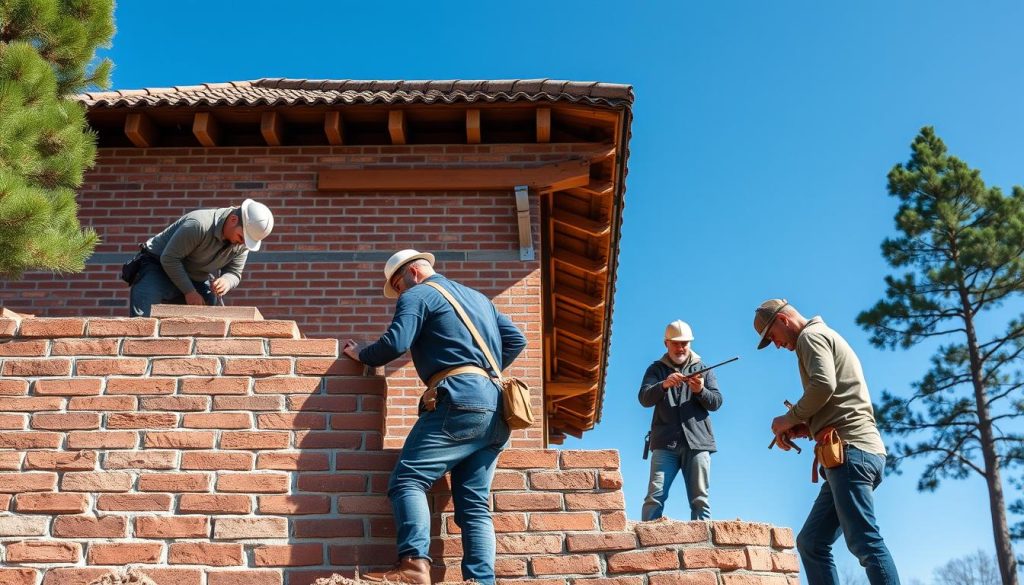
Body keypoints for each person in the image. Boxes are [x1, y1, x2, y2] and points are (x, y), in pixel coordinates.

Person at [342, 249, 527, 585]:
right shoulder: (478, 298)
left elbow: (395, 343)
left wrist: (362, 353)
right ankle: (481, 581)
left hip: (459, 399)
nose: (400, 293)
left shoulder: (419, 293)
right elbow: (516, 339)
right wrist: (482, 371)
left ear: (413, 271)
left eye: (398, 286)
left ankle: (413, 568)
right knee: (473, 504)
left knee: (408, 480)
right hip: (498, 408)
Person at [755, 298, 901, 585]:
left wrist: (788, 418)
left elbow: (824, 385)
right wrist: (805, 427)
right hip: (850, 454)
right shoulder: (822, 335)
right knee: (811, 542)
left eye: (772, 337)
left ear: (783, 320)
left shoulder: (810, 336)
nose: (776, 345)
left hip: (851, 453)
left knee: (865, 542)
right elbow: (839, 399)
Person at [638, 319, 723, 521]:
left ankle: (703, 549)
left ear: (690, 343)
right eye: (675, 343)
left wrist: (700, 391)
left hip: (698, 443)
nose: (680, 347)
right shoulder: (656, 370)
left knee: (700, 500)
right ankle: (645, 547)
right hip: (664, 444)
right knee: (654, 497)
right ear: (666, 343)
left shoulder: (704, 368)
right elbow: (644, 398)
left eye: (684, 343)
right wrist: (663, 385)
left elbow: (716, 402)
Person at [128, 199, 274, 316]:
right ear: (233, 220)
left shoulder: (242, 245)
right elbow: (169, 259)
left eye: (247, 242)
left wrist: (226, 281)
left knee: (208, 309)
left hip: (195, 277)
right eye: (241, 237)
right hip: (158, 267)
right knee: (143, 320)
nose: (242, 243)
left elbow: (234, 273)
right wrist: (189, 291)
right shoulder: (198, 225)